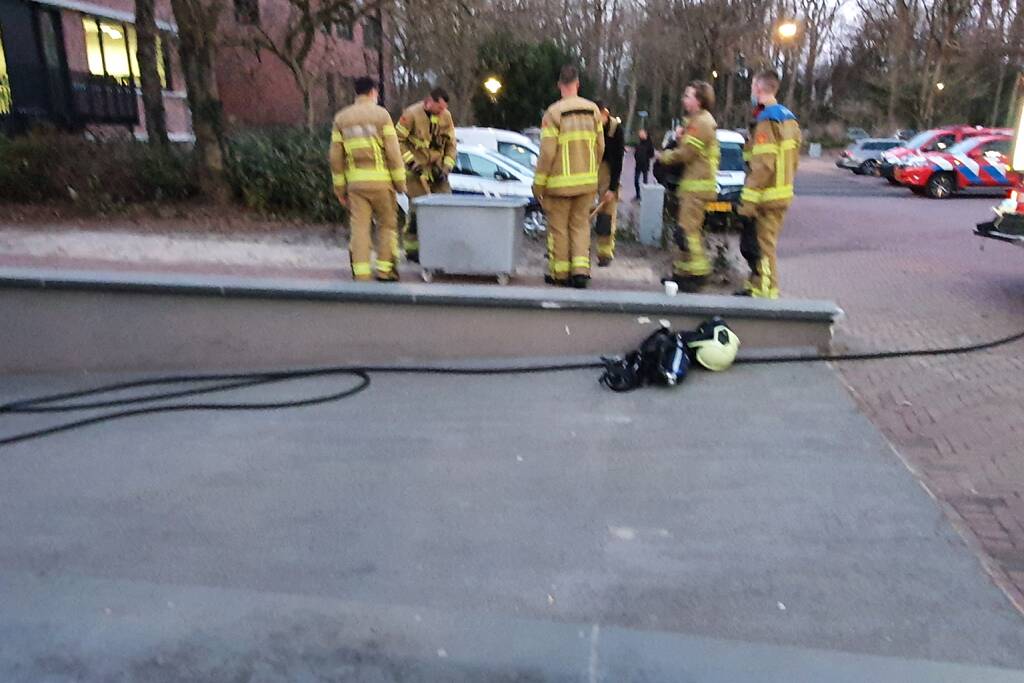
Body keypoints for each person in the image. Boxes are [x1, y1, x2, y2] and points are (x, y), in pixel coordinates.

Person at [328, 77, 407, 281]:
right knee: (387, 227)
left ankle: (361, 273)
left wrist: (340, 190)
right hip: (382, 184)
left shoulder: (341, 118)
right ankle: (385, 270)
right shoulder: (382, 116)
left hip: (356, 186)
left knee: (360, 229)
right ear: (373, 92)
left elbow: (335, 158)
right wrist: (400, 184)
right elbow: (393, 152)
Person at [532, 65, 605, 288]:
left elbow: (547, 153)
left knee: (559, 229)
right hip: (586, 183)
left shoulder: (553, 113)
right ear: (578, 84)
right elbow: (600, 146)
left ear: (559, 85)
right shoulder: (593, 110)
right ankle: (581, 271)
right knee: (581, 226)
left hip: (559, 184)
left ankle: (560, 274)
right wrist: (592, 170)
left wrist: (539, 184)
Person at [736, 71, 801, 299]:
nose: (751, 91)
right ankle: (755, 287)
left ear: (759, 88)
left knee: (763, 247)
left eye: (752, 86)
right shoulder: (789, 119)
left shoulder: (767, 119)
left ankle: (765, 294)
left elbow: (763, 165)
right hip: (782, 192)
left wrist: (747, 201)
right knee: (764, 243)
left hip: (767, 196)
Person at [656, 81, 719, 292]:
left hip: (697, 187)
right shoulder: (695, 122)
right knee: (683, 232)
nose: (684, 99)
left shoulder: (701, 123)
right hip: (692, 186)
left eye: (688, 95)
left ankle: (698, 273)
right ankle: (682, 274)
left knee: (688, 232)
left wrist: (663, 156)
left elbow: (686, 154)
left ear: (699, 100)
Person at [396, 87, 457, 263]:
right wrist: (411, 162)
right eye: (439, 108)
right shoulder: (410, 115)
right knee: (417, 212)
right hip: (415, 172)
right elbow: (397, 141)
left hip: (437, 171)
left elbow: (451, 145)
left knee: (446, 206)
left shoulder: (446, 117)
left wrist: (446, 168)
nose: (441, 112)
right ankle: (413, 250)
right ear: (428, 102)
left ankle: (442, 246)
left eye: (444, 109)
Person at [595, 100, 624, 266]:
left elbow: (618, 160)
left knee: (606, 213)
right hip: (593, 168)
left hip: (607, 171)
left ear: (605, 113)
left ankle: (605, 253)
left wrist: (612, 188)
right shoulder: (592, 126)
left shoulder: (615, 130)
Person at [633, 129, 655, 199]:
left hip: (645, 165)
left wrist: (646, 157)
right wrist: (636, 157)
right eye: (640, 134)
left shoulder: (649, 143)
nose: (641, 135)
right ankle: (638, 195)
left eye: (642, 134)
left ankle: (644, 196)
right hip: (638, 165)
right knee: (636, 180)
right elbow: (636, 152)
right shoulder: (639, 143)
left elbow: (652, 154)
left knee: (645, 182)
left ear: (645, 134)